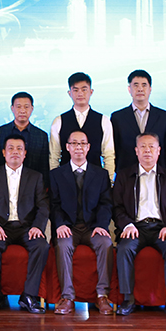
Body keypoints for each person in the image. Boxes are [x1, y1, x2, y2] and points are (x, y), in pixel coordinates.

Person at [112, 133, 166, 317]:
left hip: (162, 228)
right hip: (135, 228)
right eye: (143, 147)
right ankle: (128, 299)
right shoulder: (124, 176)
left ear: (159, 151)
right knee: (124, 248)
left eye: (151, 147)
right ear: (136, 151)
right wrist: (127, 225)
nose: (147, 151)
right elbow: (117, 207)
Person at [0, 135, 50, 314]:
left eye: (19, 148)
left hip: (27, 228)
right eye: (11, 148)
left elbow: (43, 206)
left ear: (25, 153)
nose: (15, 152)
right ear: (4, 153)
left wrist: (37, 226)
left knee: (41, 245)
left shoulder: (35, 177)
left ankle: (29, 295)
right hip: (1, 227)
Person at [49, 129, 114, 316]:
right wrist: (60, 224)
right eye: (74, 143)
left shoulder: (101, 174)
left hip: (92, 227)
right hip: (68, 227)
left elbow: (106, 204)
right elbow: (53, 204)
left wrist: (101, 225)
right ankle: (67, 297)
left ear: (88, 147)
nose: (79, 147)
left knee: (105, 243)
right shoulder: (56, 174)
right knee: (63, 245)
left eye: (83, 143)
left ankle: (102, 295)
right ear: (67, 147)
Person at [50, 73, 116, 178]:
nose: (80, 93)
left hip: (96, 180)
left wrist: (109, 181)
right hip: (65, 179)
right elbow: (54, 156)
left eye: (84, 89)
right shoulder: (59, 121)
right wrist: (54, 180)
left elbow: (108, 155)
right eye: (75, 90)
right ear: (69, 93)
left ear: (91, 92)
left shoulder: (103, 120)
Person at [110, 69, 166, 173]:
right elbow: (114, 148)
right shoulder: (117, 117)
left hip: (156, 173)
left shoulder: (164, 116)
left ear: (150, 89)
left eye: (144, 85)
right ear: (129, 89)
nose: (140, 89)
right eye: (135, 85)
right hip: (126, 174)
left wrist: (161, 168)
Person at [0, 91, 50, 175]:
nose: (22, 111)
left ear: (32, 109)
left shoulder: (41, 135)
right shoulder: (0, 132)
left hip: (32, 181)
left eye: (26, 107)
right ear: (12, 108)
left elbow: (44, 166)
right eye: (18, 107)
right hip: (4, 180)